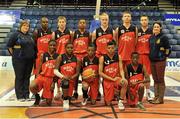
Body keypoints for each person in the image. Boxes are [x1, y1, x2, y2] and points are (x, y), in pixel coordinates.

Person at [7, 20, 36, 101]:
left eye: (27, 26)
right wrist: (15, 55)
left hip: (29, 60)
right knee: (20, 77)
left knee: (27, 77)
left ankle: (26, 95)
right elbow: (9, 46)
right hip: (19, 60)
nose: (26, 27)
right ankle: (20, 96)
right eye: (24, 26)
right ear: (21, 26)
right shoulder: (15, 35)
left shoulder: (30, 36)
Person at [99, 41, 128, 110]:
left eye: (112, 48)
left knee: (125, 82)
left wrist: (123, 77)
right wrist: (111, 79)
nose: (110, 49)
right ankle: (116, 93)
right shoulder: (102, 58)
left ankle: (120, 101)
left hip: (116, 78)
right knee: (108, 103)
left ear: (115, 48)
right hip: (107, 81)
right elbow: (100, 72)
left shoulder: (118, 57)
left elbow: (121, 69)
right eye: (109, 48)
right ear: (106, 48)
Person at [29, 40, 58, 106]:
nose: (52, 47)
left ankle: (45, 95)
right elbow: (39, 68)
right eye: (51, 45)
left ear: (56, 46)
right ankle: (37, 97)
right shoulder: (43, 55)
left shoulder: (58, 56)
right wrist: (36, 78)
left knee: (48, 103)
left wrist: (53, 83)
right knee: (32, 85)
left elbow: (57, 71)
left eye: (54, 45)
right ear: (48, 46)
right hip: (42, 76)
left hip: (50, 79)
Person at [54, 43, 80, 110]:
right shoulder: (60, 57)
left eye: (71, 48)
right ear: (65, 48)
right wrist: (63, 76)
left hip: (71, 79)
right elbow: (55, 71)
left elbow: (77, 73)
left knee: (69, 97)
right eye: (68, 48)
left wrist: (72, 77)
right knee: (65, 83)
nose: (70, 49)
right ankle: (65, 101)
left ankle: (65, 96)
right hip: (62, 79)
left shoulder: (77, 59)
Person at [149, 22, 171, 104]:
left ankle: (160, 99)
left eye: (157, 27)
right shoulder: (151, 37)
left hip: (160, 61)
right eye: (154, 27)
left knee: (160, 79)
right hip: (152, 61)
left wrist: (164, 56)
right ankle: (156, 96)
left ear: (160, 28)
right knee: (155, 80)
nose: (156, 28)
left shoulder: (164, 37)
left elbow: (168, 48)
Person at [52, 16, 73, 99]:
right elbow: (53, 46)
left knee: (68, 72)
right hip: (58, 55)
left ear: (65, 23)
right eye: (60, 22)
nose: (61, 23)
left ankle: (70, 91)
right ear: (58, 23)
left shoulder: (69, 32)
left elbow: (71, 44)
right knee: (58, 74)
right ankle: (58, 91)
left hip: (67, 55)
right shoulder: (55, 33)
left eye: (63, 22)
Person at [72, 19, 91, 100]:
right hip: (76, 56)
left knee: (85, 76)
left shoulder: (88, 34)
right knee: (75, 76)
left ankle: (85, 93)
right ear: (78, 24)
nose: (82, 24)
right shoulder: (74, 33)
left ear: (85, 24)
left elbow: (90, 46)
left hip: (85, 57)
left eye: (84, 22)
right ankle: (75, 92)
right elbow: (71, 45)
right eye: (80, 23)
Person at [136, 15, 152, 101]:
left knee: (147, 76)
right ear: (140, 21)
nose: (144, 21)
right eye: (142, 20)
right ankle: (139, 92)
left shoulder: (151, 31)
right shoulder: (137, 30)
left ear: (148, 21)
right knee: (138, 75)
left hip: (147, 56)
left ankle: (148, 93)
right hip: (138, 56)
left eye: (145, 20)